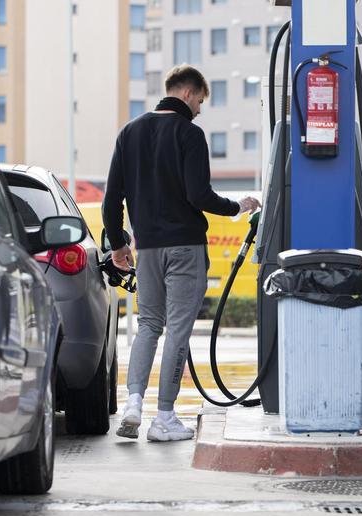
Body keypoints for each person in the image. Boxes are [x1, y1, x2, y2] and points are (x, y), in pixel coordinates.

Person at [102, 65, 261, 442]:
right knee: (177, 330)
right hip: (185, 248)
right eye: (201, 101)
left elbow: (112, 200)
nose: (201, 110)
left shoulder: (129, 132)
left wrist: (119, 245)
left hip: (149, 248)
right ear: (188, 94)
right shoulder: (189, 134)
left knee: (149, 326)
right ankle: (165, 418)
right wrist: (238, 207)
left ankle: (134, 404)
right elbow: (199, 196)